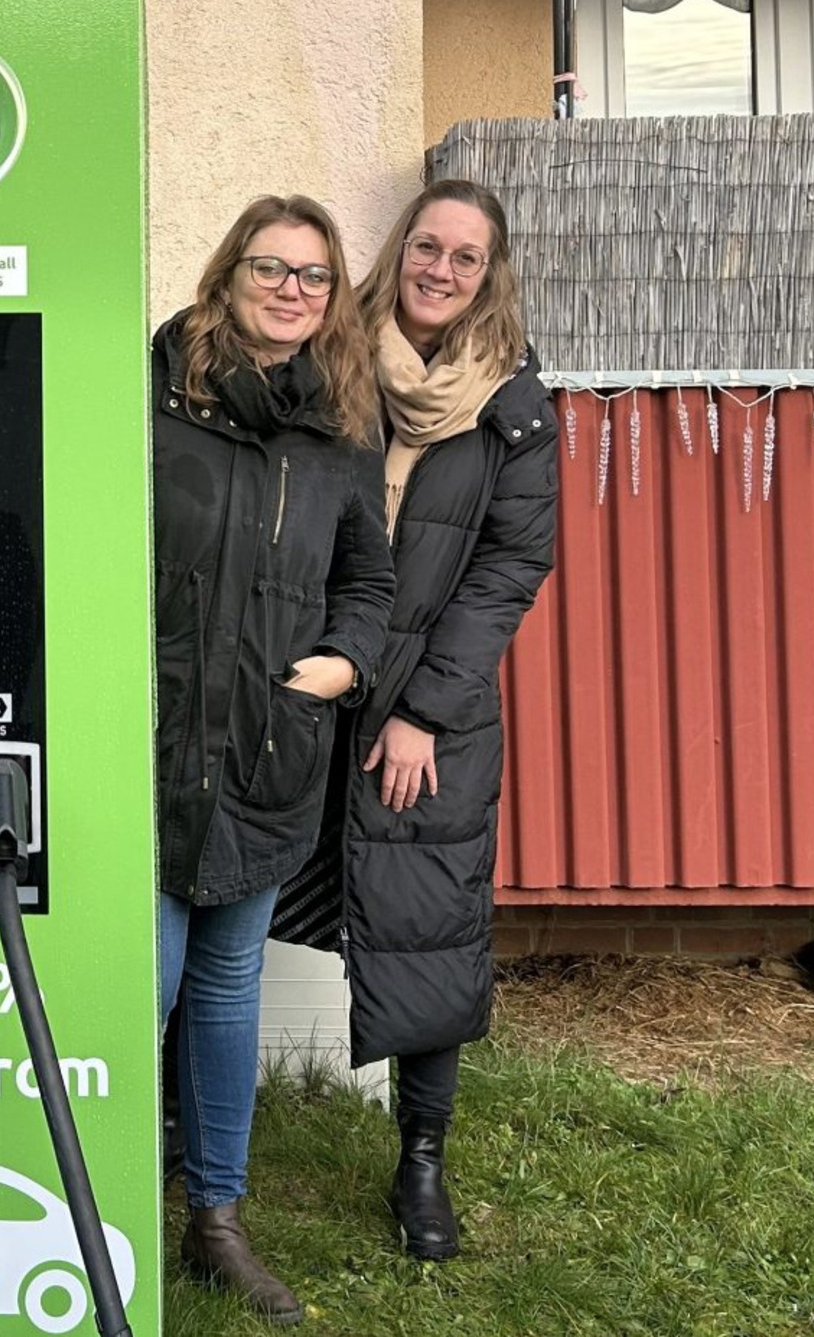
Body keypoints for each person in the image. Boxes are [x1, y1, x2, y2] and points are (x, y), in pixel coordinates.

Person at [153, 194, 394, 1327]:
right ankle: (92, 1198)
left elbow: (370, 584)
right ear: (227, 274)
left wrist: (339, 668)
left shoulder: (343, 429)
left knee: (225, 991)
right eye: (270, 269)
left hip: (265, 749)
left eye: (313, 275)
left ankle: (216, 1221)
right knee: (138, 988)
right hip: (148, 747)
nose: (292, 290)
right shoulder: (152, 398)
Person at [347, 178, 557, 1260]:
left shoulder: (513, 406)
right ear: (401, 250)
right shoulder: (334, 358)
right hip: (315, 678)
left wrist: (424, 709)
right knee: (228, 902)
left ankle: (421, 1161)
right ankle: (201, 1146)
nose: (440, 269)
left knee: (428, 924)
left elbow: (512, 565)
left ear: (490, 275)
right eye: (426, 246)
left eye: (465, 257)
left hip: (436, 709)